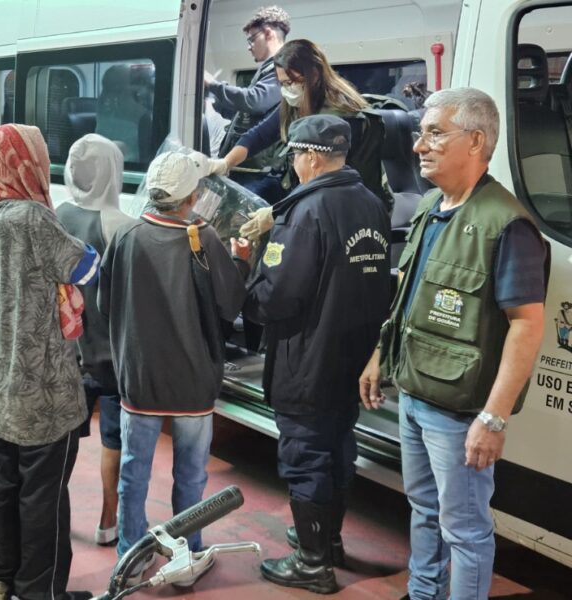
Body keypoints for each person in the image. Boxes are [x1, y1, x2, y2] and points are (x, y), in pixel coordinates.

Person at [359, 88, 547, 600]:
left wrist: (493, 418)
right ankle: (423, 593)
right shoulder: (429, 207)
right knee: (422, 508)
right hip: (416, 392)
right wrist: (382, 356)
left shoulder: (506, 225)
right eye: (421, 133)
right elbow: (409, 297)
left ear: (477, 140)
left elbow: (527, 325)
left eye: (435, 133)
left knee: (464, 528)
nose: (420, 145)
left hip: (459, 410)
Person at [231, 115, 391, 593]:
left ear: (313, 157)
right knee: (339, 446)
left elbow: (276, 298)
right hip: (353, 355)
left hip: (308, 358)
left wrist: (245, 276)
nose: (294, 165)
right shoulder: (370, 205)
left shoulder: (304, 213)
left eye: (296, 156)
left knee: (305, 455)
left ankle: (312, 563)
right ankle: (329, 540)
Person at [0, 123, 99, 600]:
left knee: (6, 483)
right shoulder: (30, 218)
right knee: (44, 495)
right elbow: (84, 265)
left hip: (0, 376)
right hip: (42, 385)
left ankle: (4, 577)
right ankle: (41, 592)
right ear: (28, 163)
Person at [98, 150, 246, 585]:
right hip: (193, 379)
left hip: (139, 377)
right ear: (193, 195)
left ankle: (130, 557)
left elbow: (107, 304)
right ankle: (187, 556)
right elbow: (230, 303)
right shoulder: (203, 237)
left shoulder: (127, 236)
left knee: (133, 469)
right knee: (191, 474)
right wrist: (242, 259)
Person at [210, 38, 386, 231]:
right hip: (316, 199)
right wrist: (226, 163)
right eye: (283, 84)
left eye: (292, 82)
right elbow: (258, 136)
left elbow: (328, 180)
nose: (287, 90)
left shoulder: (341, 117)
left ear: (314, 74)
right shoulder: (296, 104)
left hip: (347, 211)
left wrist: (278, 212)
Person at [57, 134, 134, 548]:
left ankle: (55, 517)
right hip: (112, 357)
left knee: (62, 443)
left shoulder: (57, 215)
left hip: (67, 353)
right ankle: (109, 521)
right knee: (114, 441)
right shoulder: (120, 225)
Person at [205, 5, 289, 197]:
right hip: (247, 168)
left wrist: (214, 85)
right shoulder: (267, 69)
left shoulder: (282, 66)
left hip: (257, 173)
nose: (249, 46)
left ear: (268, 33)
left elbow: (254, 101)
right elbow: (249, 115)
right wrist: (217, 101)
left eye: (252, 39)